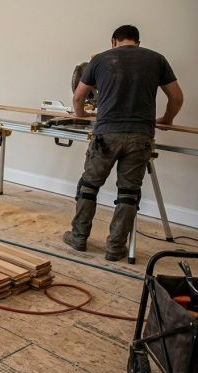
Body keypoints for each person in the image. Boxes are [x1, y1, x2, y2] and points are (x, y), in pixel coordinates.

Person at [63, 24, 183, 261]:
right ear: (137, 41)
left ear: (113, 40)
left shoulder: (100, 59)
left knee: (89, 186)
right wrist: (167, 119)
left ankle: (79, 238)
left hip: (106, 134)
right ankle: (115, 248)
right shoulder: (157, 59)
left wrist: (81, 114)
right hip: (141, 135)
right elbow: (177, 97)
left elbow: (78, 96)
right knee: (129, 193)